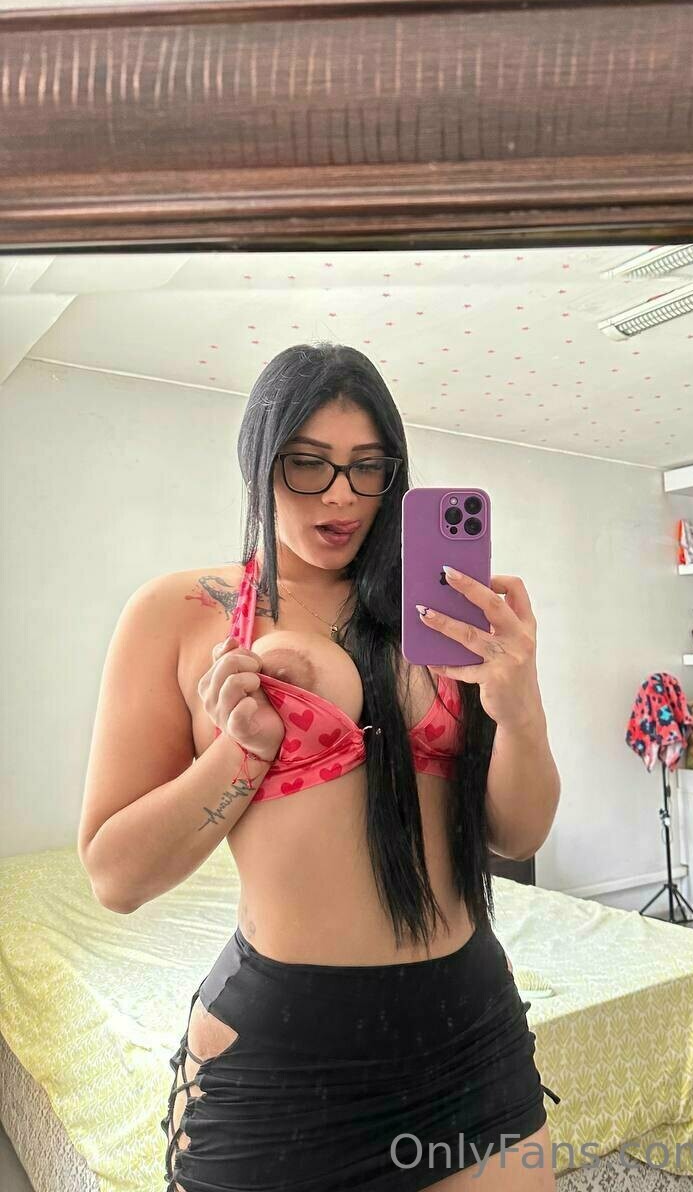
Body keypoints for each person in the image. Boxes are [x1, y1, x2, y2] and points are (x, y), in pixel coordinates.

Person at [77, 342, 562, 1191]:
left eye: (367, 467)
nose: (341, 495)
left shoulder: (441, 615)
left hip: (469, 1034)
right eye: (308, 464)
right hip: (282, 1058)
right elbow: (116, 877)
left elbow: (516, 835)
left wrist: (518, 706)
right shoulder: (180, 613)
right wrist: (244, 749)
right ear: (258, 463)